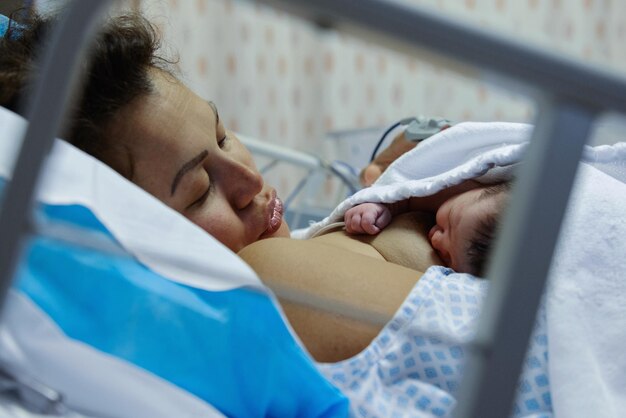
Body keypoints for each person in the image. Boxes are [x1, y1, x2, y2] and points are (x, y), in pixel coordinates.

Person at [0, 12, 485, 362]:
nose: (251, 181)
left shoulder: (297, 249)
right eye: (198, 190)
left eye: (221, 135)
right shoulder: (259, 282)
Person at [344, 182, 511, 276]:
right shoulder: (451, 188)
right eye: (450, 222)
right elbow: (401, 193)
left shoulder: (467, 208)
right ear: (476, 190)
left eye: (447, 257)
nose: (436, 239)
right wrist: (377, 204)